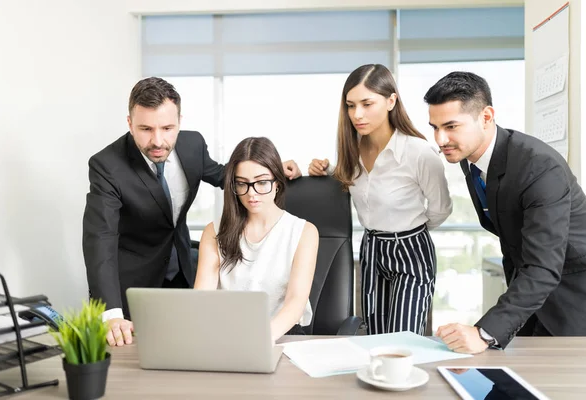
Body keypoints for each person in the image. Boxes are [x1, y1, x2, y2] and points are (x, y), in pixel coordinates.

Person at [83, 78, 302, 347]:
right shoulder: (107, 166)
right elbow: (100, 240)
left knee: (186, 355)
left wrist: (269, 170)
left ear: (179, 121)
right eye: (145, 129)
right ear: (129, 123)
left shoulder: (192, 145)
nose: (158, 140)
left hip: (183, 275)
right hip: (133, 287)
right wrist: (111, 314)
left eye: (167, 128)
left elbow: (227, 176)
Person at [425, 71, 586, 354]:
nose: (440, 139)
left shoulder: (539, 168)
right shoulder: (470, 159)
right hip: (529, 295)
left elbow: (543, 266)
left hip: (573, 296)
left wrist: (485, 333)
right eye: (435, 127)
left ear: (486, 117)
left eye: (451, 126)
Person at [308, 64, 452, 335]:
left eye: (366, 103)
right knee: (375, 336)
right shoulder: (350, 152)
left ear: (391, 101)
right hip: (372, 248)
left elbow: (441, 209)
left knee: (403, 338)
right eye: (350, 105)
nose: (357, 114)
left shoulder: (419, 153)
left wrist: (410, 230)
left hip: (411, 249)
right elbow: (344, 178)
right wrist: (321, 169)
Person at [194, 137, 318, 342]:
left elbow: (295, 303)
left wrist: (258, 340)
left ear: (277, 183)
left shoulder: (303, 232)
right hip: (226, 336)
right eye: (242, 184)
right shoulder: (214, 231)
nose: (252, 194)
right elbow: (201, 301)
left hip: (280, 335)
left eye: (261, 182)